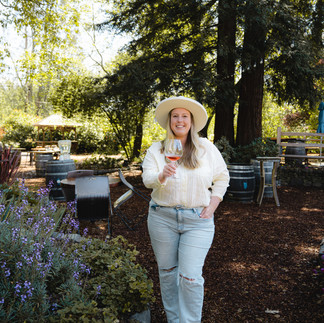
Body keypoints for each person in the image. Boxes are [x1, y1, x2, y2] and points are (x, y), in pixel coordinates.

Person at [142, 96, 230, 323]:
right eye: (175, 116)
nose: (179, 120)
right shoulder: (156, 150)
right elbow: (148, 179)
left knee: (190, 277)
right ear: (169, 121)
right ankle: (174, 320)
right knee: (168, 274)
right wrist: (163, 174)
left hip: (197, 221)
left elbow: (222, 177)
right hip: (162, 219)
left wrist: (213, 204)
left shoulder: (206, 149)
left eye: (184, 116)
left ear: (191, 121)